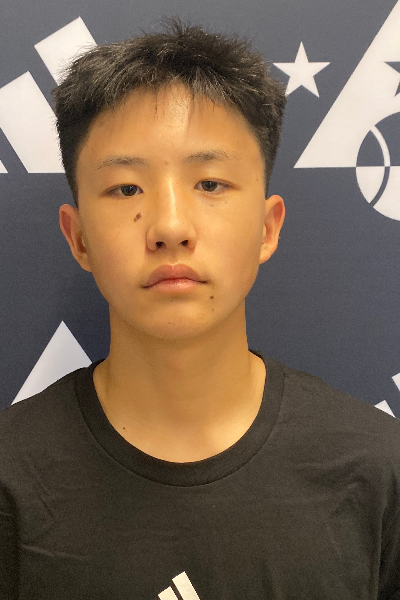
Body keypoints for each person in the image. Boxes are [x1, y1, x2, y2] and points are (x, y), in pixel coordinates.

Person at [1, 17, 399, 600]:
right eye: (126, 189)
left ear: (267, 228)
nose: (170, 226)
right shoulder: (11, 477)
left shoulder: (378, 469)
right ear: (78, 237)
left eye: (210, 184)